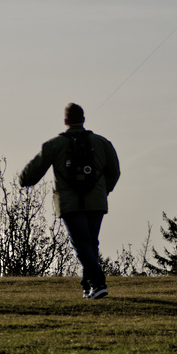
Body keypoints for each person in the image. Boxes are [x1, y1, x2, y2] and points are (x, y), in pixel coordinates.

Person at [20, 102, 121, 299]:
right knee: (91, 243)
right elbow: (114, 172)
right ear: (83, 119)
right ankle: (87, 285)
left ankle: (98, 283)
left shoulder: (54, 145)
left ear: (65, 121)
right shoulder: (102, 143)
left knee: (82, 244)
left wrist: (23, 180)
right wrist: (102, 191)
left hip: (69, 204)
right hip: (96, 202)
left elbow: (31, 174)